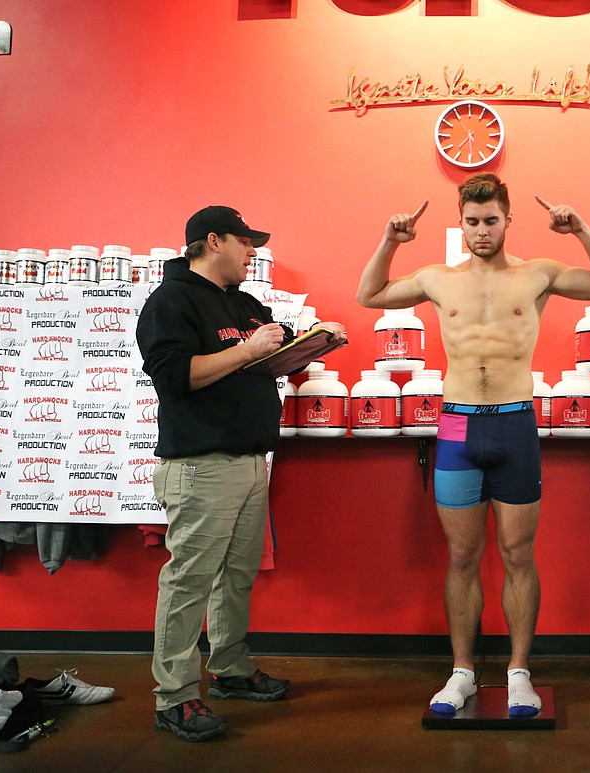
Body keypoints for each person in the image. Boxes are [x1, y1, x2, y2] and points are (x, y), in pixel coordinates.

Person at [356, 173, 590, 717]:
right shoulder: (437, 278)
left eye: (491, 221)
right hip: (457, 423)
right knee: (461, 555)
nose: (482, 231)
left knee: (518, 553)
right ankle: (462, 674)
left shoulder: (537, 275)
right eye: (473, 222)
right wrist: (391, 240)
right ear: (460, 224)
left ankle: (519, 673)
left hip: (515, 423)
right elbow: (369, 295)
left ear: (507, 221)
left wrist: (581, 229)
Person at [136, 205, 347, 742]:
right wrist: (247, 348)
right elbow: (176, 377)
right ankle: (174, 698)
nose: (253, 251)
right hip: (201, 465)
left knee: (236, 576)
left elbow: (266, 361)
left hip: (252, 461)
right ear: (213, 240)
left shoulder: (244, 303)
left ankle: (228, 669)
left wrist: (311, 345)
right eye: (245, 241)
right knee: (188, 583)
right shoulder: (171, 301)